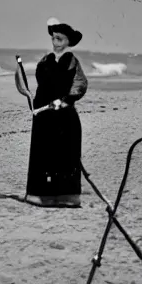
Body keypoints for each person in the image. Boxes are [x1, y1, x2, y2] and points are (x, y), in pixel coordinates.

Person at [24, 17, 88, 208]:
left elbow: (80, 84)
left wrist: (67, 100)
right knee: (43, 155)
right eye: (54, 38)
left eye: (60, 39)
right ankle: (40, 194)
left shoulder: (72, 62)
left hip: (65, 116)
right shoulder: (46, 60)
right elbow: (41, 83)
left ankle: (68, 196)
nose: (56, 42)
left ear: (68, 41)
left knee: (65, 155)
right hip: (44, 115)